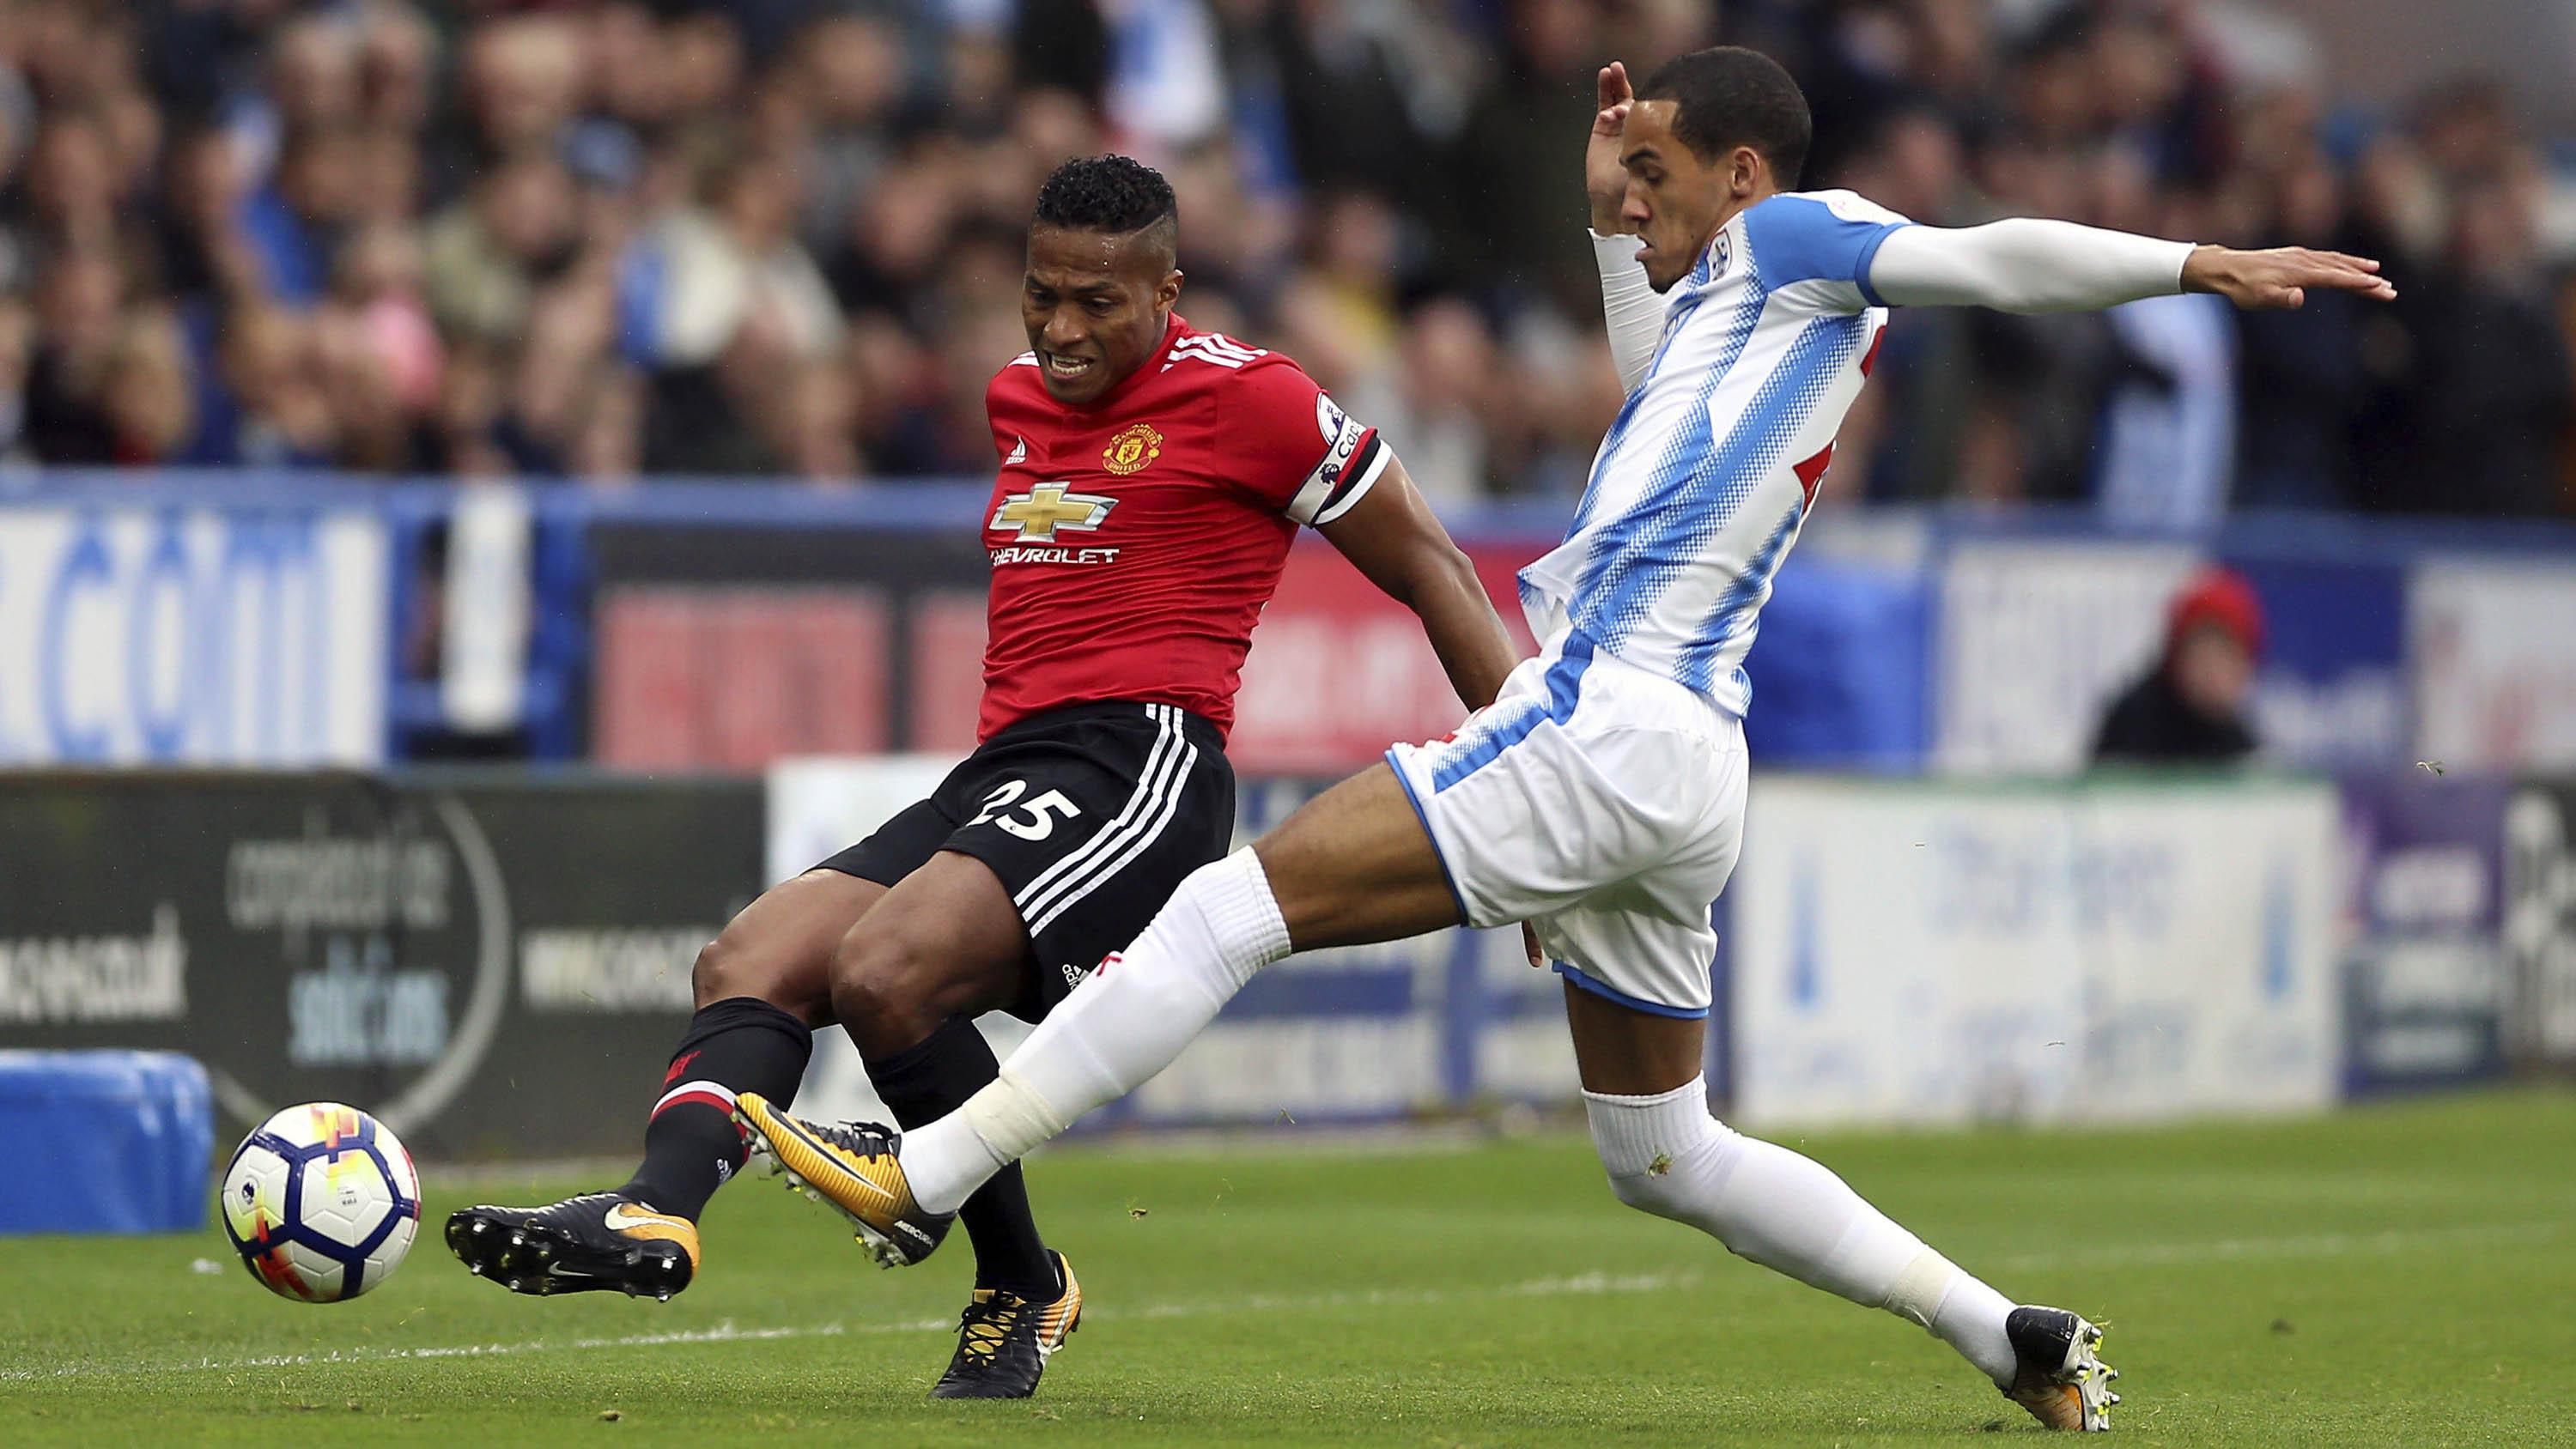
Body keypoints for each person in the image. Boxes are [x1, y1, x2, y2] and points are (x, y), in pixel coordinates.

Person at [733, 49, 2393, 1431]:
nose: (1638, 192)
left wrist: (2191, 264)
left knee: (1228, 907)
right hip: (1678, 766)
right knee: (1666, 1155)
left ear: (1744, 173)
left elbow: (1986, 253)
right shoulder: (1745, 314)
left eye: (1662, 171)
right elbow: (1656, 374)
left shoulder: (1809, 233)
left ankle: (931, 1166)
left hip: (1612, 723)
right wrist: (1613, 230)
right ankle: (2001, 1330)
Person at [447, 155, 1520, 1402]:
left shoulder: (1258, 400)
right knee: (749, 962)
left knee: (886, 971)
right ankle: (660, 1214)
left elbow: (1437, 564)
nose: (1060, 329)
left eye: (1097, 303)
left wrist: (1519, 778)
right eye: (1041, 293)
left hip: (1144, 765)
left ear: (1167, 290)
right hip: (1007, 768)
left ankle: (1003, 1268)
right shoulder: (1017, 394)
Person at [2093, 567, 2266, 765]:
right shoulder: (2136, 723)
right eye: (2202, 654)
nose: (2211, 672)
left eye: (2225, 658)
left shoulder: (2237, 739)